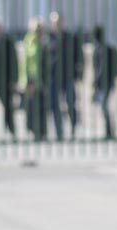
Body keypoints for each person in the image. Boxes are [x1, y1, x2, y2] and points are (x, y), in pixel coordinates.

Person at [46, 11, 84, 140]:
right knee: (54, 105)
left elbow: (79, 56)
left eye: (58, 22)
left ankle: (73, 128)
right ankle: (59, 132)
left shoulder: (70, 38)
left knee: (70, 103)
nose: (56, 25)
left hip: (68, 76)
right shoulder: (48, 38)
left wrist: (79, 74)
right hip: (53, 78)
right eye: (54, 23)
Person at [21, 17, 49, 142]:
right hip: (31, 79)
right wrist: (25, 80)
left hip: (42, 78)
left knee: (42, 106)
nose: (38, 32)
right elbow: (25, 62)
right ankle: (33, 131)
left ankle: (42, 132)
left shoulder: (44, 43)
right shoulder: (29, 42)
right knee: (31, 107)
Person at [92, 25, 117, 141]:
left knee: (104, 106)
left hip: (104, 83)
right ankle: (109, 132)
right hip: (106, 83)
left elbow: (101, 68)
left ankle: (109, 132)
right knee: (104, 106)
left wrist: (96, 80)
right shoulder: (103, 47)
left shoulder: (100, 49)